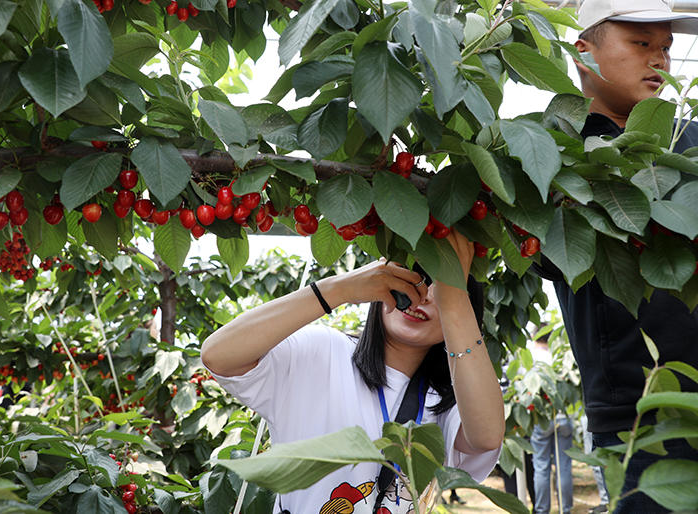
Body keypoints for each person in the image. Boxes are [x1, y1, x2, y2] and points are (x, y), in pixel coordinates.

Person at [201, 230, 504, 514]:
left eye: (443, 287)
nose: (423, 295)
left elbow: (486, 437)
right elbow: (219, 355)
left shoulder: (449, 403)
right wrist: (339, 289)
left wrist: (453, 302)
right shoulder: (323, 352)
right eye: (415, 277)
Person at [533, 1, 698, 512]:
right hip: (638, 413)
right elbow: (545, 256)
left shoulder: (687, 141)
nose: (660, 60)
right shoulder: (550, 152)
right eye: (641, 43)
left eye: (667, 48)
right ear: (582, 51)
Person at [528, 333, 573, 514]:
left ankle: (542, 510)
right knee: (564, 467)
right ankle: (566, 509)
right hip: (562, 416)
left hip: (542, 419)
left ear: (534, 336)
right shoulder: (558, 356)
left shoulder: (530, 357)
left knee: (541, 466)